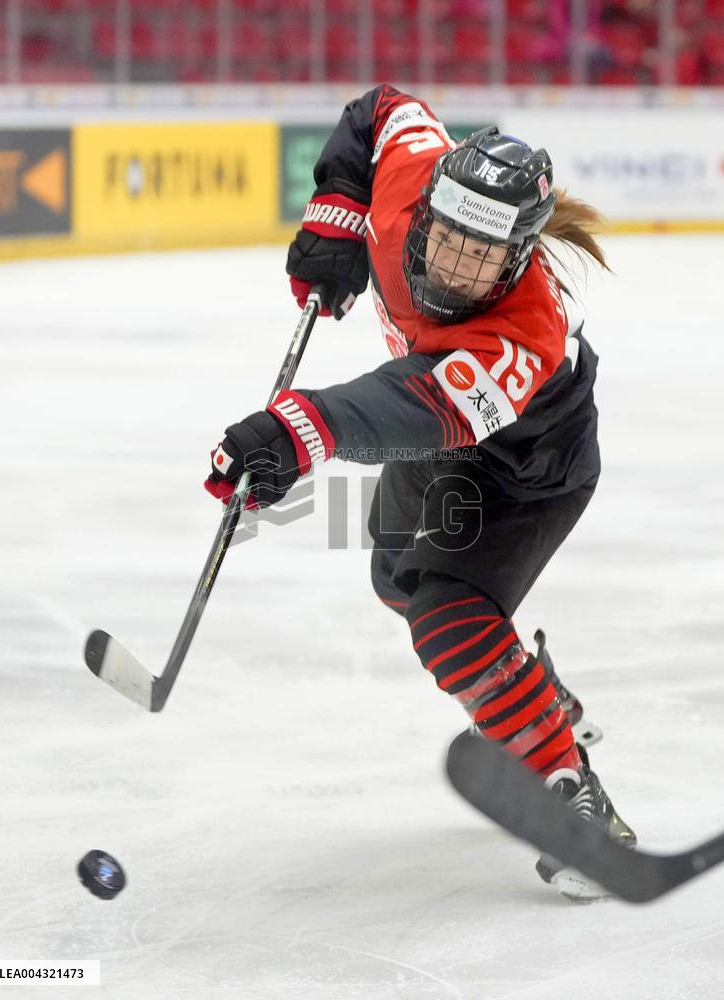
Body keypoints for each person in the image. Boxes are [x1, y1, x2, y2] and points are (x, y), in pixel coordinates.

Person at [205, 85, 636, 899]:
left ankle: (571, 791)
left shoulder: (525, 329)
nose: (454, 264)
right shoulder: (410, 181)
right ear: (431, 203)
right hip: (432, 429)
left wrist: (302, 428)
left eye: (482, 256)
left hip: (527, 468)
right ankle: (533, 697)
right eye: (448, 240)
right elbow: (380, 108)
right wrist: (337, 211)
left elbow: (421, 405)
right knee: (394, 577)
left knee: (446, 611)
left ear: (517, 258)